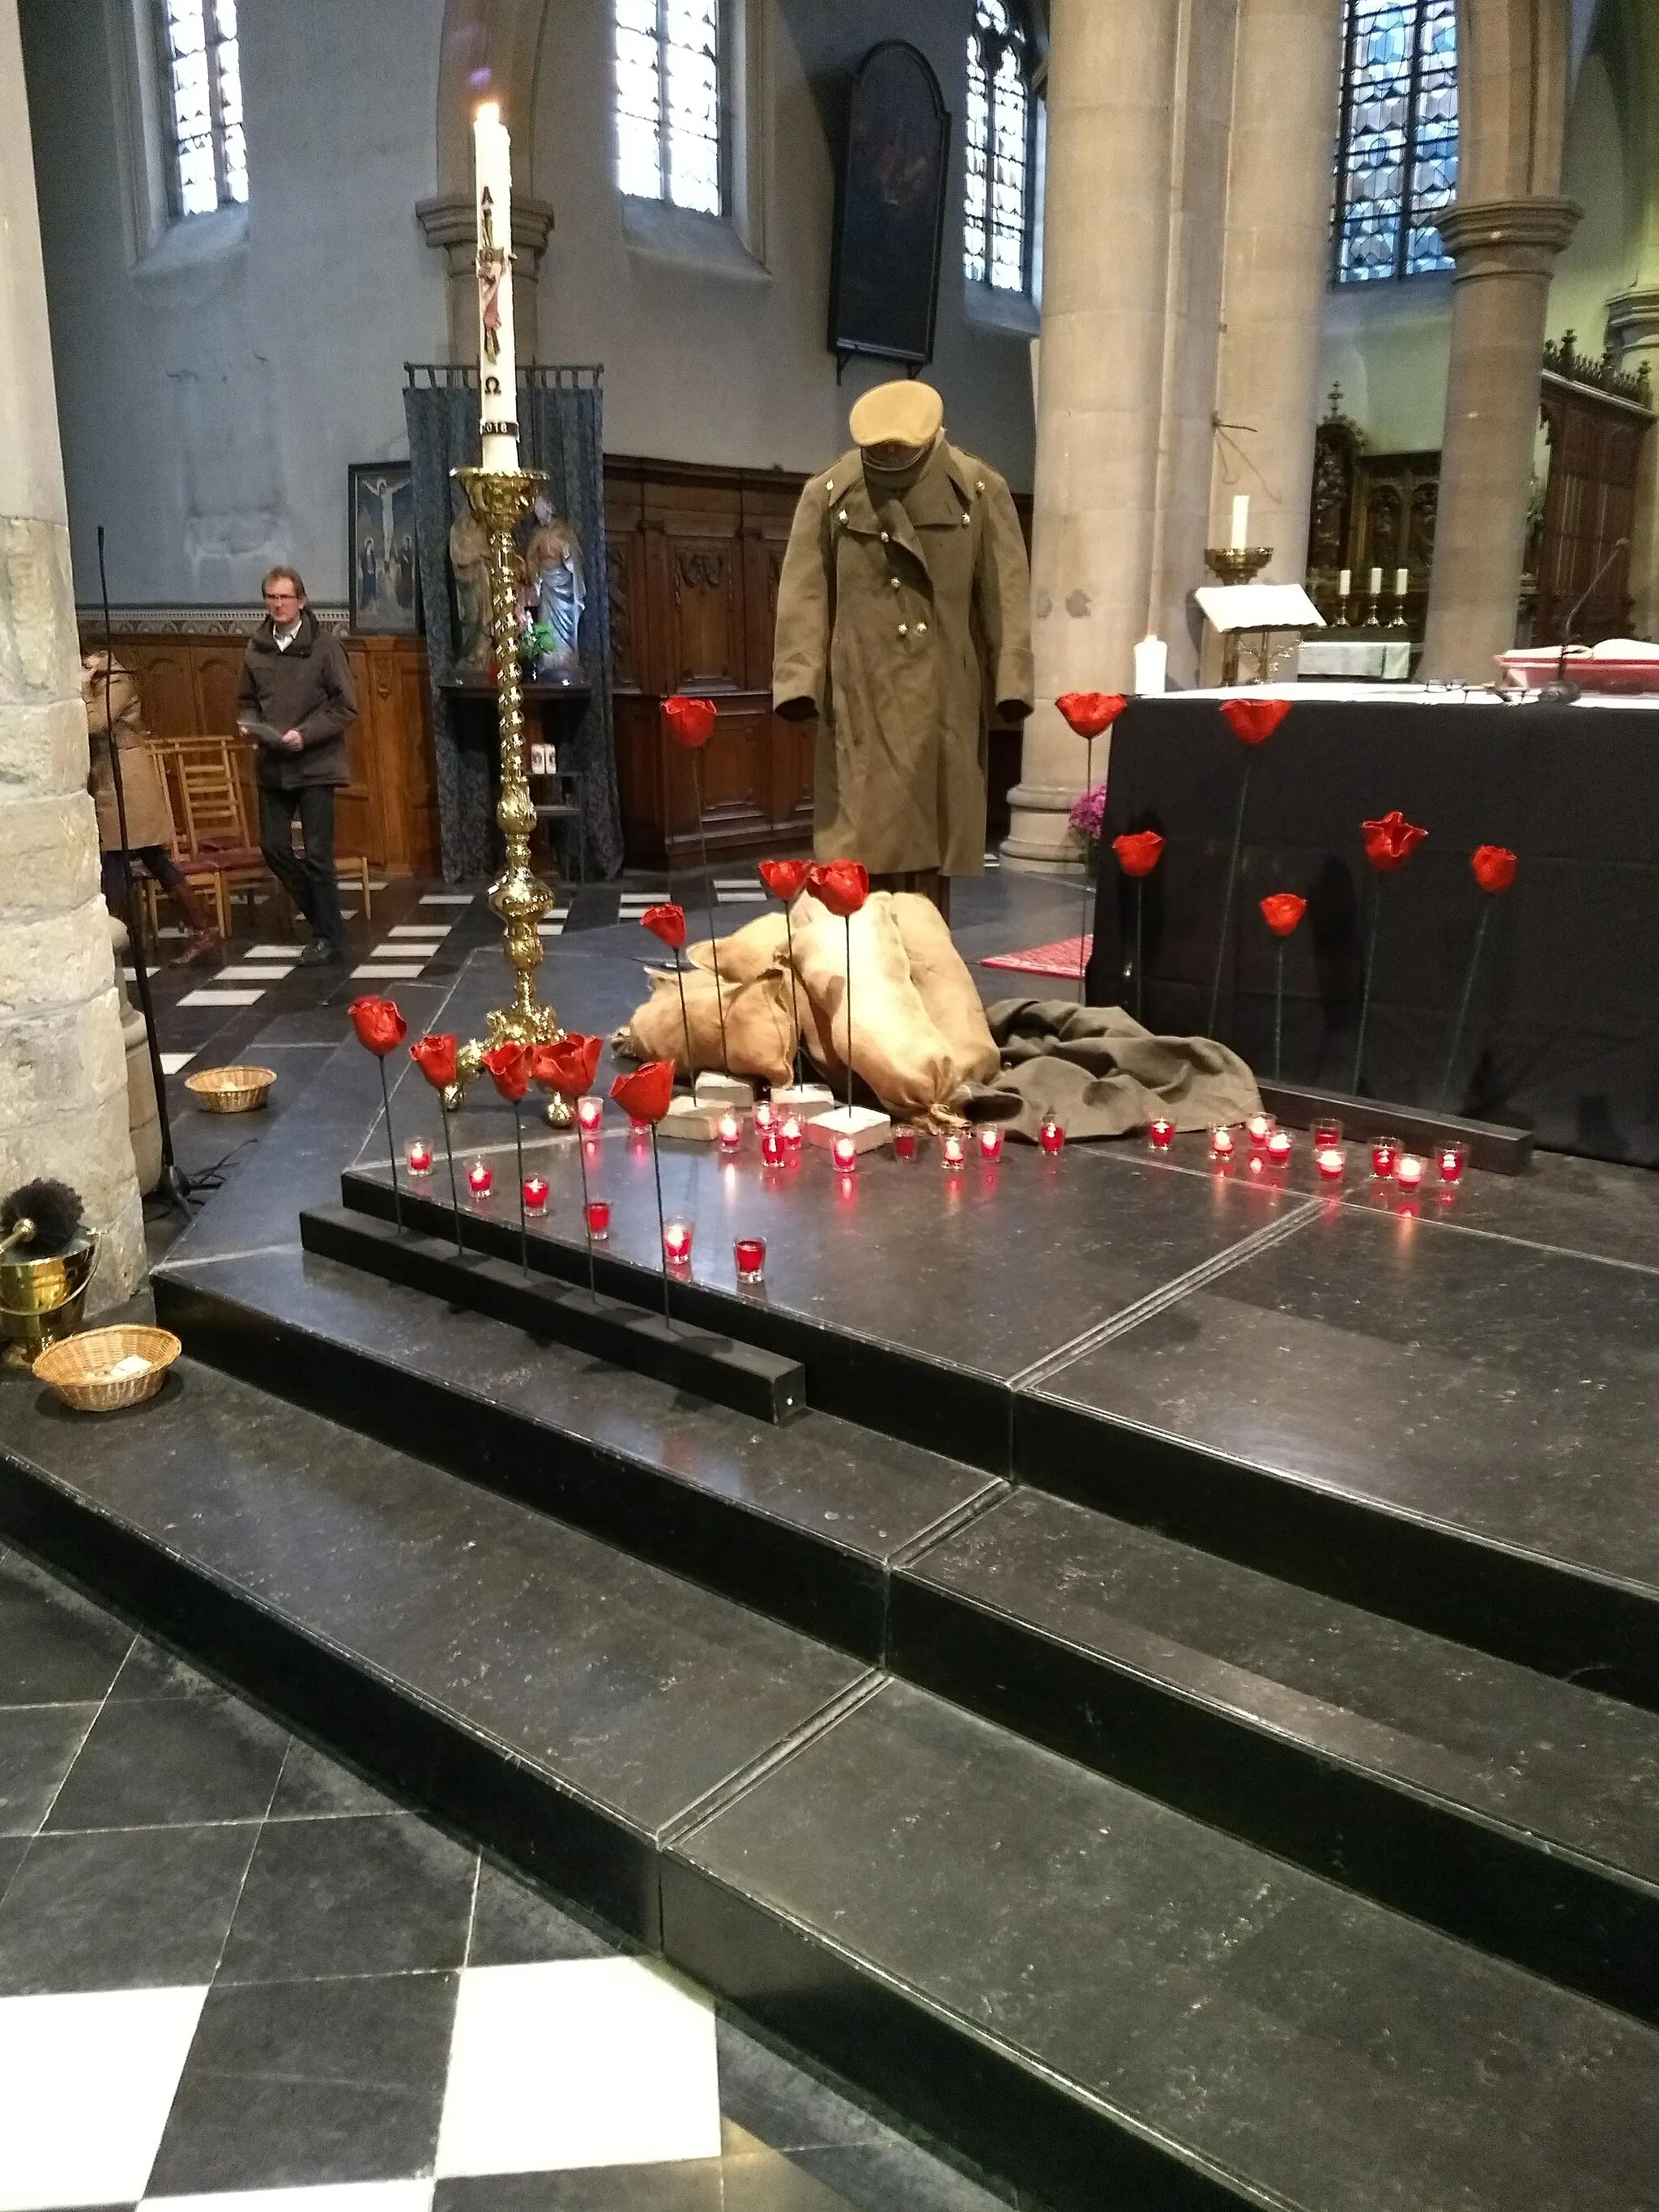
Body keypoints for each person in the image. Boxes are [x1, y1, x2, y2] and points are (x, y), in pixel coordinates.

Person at [772, 379, 1033, 921]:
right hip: (860, 699)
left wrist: (1012, 683)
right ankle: (870, 983)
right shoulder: (829, 495)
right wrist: (798, 683)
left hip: (944, 701)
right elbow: (804, 596)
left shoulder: (979, 492)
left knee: (928, 859)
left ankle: (923, 971)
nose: (889, 456)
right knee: (860, 857)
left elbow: (1005, 596)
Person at [238, 565, 358, 965]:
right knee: (274, 848)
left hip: (315, 764)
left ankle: (327, 936)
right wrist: (250, 723)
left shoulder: (324, 646)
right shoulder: (256, 648)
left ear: (301, 601)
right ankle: (327, 920)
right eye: (271, 597)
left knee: (319, 854)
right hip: (273, 763)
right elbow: (246, 700)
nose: (277, 605)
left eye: (284, 597)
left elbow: (346, 707)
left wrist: (305, 734)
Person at [82, 650, 221, 965]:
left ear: (99, 655)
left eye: (85, 659)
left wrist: (82, 687)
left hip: (127, 781)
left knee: (120, 858)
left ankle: (115, 943)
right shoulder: (101, 682)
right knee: (147, 857)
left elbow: (95, 723)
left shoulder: (116, 681)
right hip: (110, 778)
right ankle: (201, 931)